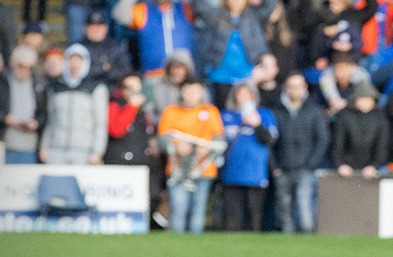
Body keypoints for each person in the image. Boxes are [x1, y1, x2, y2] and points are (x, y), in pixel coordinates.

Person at [158, 77, 225, 234]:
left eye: (195, 91)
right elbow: (162, 139)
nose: (191, 95)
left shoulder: (210, 112)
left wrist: (207, 149)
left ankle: (196, 248)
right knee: (179, 207)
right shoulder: (171, 111)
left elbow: (219, 140)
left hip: (203, 169)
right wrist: (176, 146)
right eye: (188, 91)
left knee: (199, 208)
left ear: (201, 92)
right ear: (182, 92)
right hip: (178, 170)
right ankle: (177, 245)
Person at [270, 72, 329, 233]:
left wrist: (311, 164)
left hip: (305, 168)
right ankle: (288, 243)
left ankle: (308, 239)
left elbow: (322, 139)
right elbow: (271, 142)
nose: (294, 91)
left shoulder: (314, 111)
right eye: (291, 87)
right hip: (283, 168)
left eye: (298, 87)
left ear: (304, 88)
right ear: (285, 89)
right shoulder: (277, 111)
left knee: (305, 209)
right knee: (284, 209)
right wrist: (275, 166)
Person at [220, 81, 279, 230]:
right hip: (231, 174)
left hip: (255, 175)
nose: (245, 98)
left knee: (253, 217)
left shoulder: (264, 114)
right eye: (241, 94)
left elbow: (270, 140)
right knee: (233, 218)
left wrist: (257, 124)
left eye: (248, 94)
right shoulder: (226, 116)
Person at [40, 45, 107, 166]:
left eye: (79, 60)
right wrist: (45, 146)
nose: (74, 64)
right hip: (57, 149)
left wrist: (97, 151)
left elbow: (100, 122)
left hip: (84, 151)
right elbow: (51, 120)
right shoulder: (56, 87)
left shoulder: (95, 88)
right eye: (71, 60)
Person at [330, 81, 387, 178]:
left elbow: (382, 144)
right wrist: (340, 164)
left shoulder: (380, 117)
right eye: (362, 98)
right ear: (355, 100)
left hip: (371, 170)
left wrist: (374, 165)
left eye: (368, 99)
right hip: (346, 168)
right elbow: (337, 142)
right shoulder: (344, 116)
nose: (365, 102)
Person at [1, 45, 47, 164]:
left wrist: (36, 123)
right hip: (4, 145)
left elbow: (45, 112)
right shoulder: (1, 82)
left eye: (29, 67)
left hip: (29, 146)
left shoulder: (39, 85)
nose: (25, 71)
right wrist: (5, 118)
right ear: (12, 63)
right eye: (21, 66)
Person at [103, 74, 153, 167]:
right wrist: (131, 106)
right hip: (120, 161)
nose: (134, 91)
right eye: (129, 88)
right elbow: (116, 130)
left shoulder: (145, 109)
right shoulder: (114, 105)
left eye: (137, 87)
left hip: (141, 161)